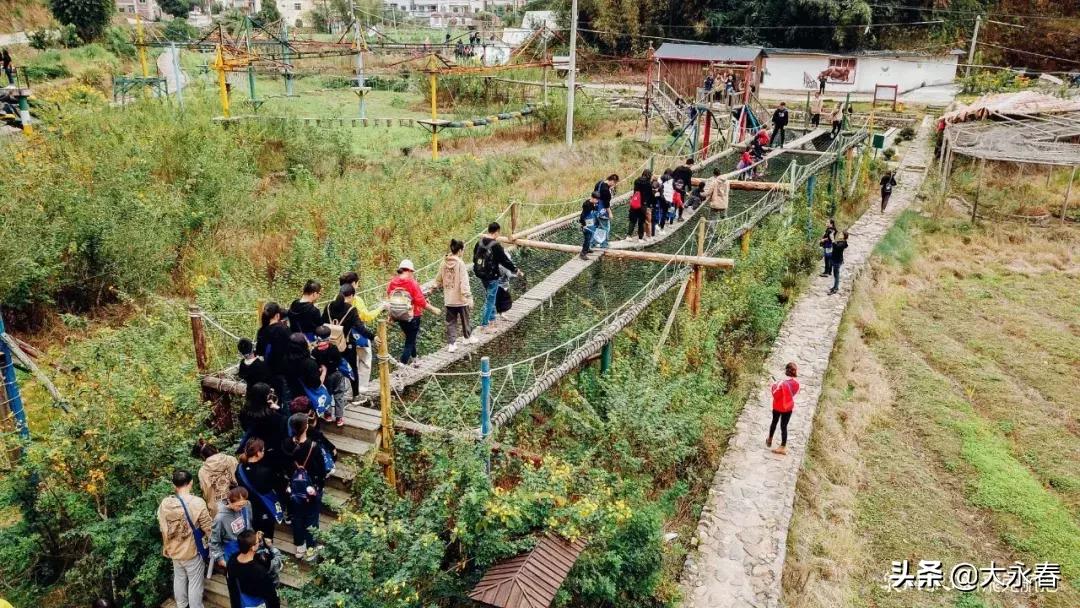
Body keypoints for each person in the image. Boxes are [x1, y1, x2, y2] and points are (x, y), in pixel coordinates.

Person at [158, 470, 212, 608]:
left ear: (174, 485)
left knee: (179, 578)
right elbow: (208, 527)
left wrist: (166, 546)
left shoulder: (165, 503)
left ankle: (182, 605)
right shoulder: (197, 502)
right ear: (191, 483)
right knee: (195, 582)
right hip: (191, 550)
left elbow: (163, 527)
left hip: (174, 550)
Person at [282, 413, 329, 560]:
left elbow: (284, 466)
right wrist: (319, 485)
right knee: (311, 518)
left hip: (293, 489)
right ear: (306, 426)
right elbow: (322, 469)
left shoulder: (286, 444)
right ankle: (310, 548)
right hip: (310, 488)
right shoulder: (313, 447)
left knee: (297, 517)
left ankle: (299, 547)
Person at [330, 272, 381, 391]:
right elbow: (366, 317)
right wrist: (381, 308)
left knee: (347, 364)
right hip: (357, 336)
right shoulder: (356, 300)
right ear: (353, 284)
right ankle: (361, 388)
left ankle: (348, 389)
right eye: (357, 283)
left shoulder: (334, 301)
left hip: (340, 338)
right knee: (365, 360)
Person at [386, 260, 441, 365]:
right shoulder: (412, 283)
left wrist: (390, 315)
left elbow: (390, 298)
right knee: (409, 342)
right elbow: (420, 301)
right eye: (412, 272)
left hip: (399, 316)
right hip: (413, 316)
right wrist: (433, 309)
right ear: (410, 270)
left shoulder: (393, 282)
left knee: (410, 338)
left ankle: (415, 359)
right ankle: (402, 366)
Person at [473, 223, 521, 330]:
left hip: (481, 275)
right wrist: (515, 270)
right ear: (497, 232)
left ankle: (492, 320)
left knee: (490, 297)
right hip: (492, 276)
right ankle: (485, 324)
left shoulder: (479, 243)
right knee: (490, 300)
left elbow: (474, 259)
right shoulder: (495, 245)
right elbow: (504, 260)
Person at [434, 239, 477, 353]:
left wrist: (435, 286)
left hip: (449, 299)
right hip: (461, 299)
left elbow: (438, 279)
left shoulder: (443, 262)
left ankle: (452, 344)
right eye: (463, 250)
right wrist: (468, 296)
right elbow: (464, 281)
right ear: (459, 251)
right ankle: (467, 337)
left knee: (451, 322)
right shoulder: (460, 263)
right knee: (465, 319)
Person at [235, 438, 280, 544]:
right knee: (267, 535)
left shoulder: (239, 468)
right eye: (263, 450)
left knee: (256, 533)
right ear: (258, 453)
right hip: (265, 507)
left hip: (250, 508)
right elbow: (274, 486)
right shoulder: (265, 472)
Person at [310, 325, 353, 426]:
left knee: (327, 394)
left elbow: (315, 365)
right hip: (337, 374)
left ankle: (328, 415)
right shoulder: (333, 348)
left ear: (317, 337)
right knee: (339, 395)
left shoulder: (315, 351)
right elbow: (338, 361)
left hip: (325, 377)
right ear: (329, 336)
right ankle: (339, 418)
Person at [226, 530, 281, 608]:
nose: (259, 541)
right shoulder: (259, 571)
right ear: (253, 547)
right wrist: (270, 546)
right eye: (257, 541)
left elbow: (231, 586)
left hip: (242, 600)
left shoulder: (232, 559)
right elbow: (271, 596)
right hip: (258, 602)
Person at [238, 382, 286, 469]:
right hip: (272, 449)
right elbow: (284, 425)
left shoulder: (244, 412)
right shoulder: (272, 416)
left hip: (255, 445)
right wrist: (278, 409)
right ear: (266, 397)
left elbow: (244, 427)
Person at [209, 486, 253, 573]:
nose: (241, 508)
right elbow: (214, 541)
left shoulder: (246, 505)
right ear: (229, 501)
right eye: (238, 506)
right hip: (231, 550)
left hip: (246, 546)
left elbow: (249, 523)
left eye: (243, 505)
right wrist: (220, 559)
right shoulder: (220, 518)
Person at [254, 302, 292, 402]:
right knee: (284, 400)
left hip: (267, 371)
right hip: (283, 372)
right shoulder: (284, 329)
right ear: (277, 315)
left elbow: (259, 351)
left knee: (271, 398)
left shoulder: (261, 331)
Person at [194, 439, 238, 520]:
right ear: (216, 449)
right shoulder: (231, 459)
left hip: (219, 510)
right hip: (239, 500)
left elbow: (206, 493)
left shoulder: (203, 471)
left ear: (203, 457)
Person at [766, 362, 800, 455]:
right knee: (784, 426)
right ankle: (783, 446)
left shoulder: (781, 383)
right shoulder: (796, 383)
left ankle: (770, 439)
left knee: (774, 422)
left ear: (786, 370)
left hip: (778, 406)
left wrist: (773, 385)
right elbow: (792, 394)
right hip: (788, 408)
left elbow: (775, 394)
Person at [592, 174, 618, 249]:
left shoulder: (600, 183)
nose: (614, 185)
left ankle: (592, 243)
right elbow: (606, 204)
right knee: (605, 228)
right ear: (612, 181)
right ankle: (604, 244)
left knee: (596, 228)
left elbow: (594, 194)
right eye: (615, 183)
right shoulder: (606, 191)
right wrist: (610, 213)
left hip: (595, 209)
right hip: (602, 211)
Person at [629, 169, 653, 241]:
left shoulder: (636, 181)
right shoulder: (648, 184)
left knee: (632, 220)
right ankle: (640, 238)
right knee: (641, 221)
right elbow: (649, 195)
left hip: (635, 202)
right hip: (643, 204)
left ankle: (628, 236)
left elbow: (635, 192)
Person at [579, 192, 599, 260]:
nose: (597, 201)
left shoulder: (592, 203)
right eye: (596, 200)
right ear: (592, 198)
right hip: (586, 224)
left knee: (590, 237)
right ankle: (583, 253)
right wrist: (583, 224)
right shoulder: (587, 205)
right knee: (587, 239)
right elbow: (582, 215)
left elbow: (594, 209)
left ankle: (587, 249)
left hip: (590, 223)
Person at [828, 231, 849, 295]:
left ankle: (836, 288)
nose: (840, 234)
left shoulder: (843, 243)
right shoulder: (840, 242)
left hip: (837, 261)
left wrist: (832, 239)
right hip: (835, 259)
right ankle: (834, 286)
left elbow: (837, 247)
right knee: (835, 274)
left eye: (841, 234)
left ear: (844, 236)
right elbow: (835, 246)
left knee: (836, 275)